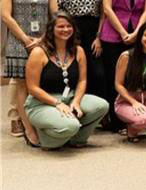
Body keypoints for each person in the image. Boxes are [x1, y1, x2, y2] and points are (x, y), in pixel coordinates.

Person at [24, 12, 109, 149]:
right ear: (51, 29)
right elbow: (32, 88)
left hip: (69, 98)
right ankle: (47, 139)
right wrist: (57, 103)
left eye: (69, 26)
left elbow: (82, 81)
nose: (65, 29)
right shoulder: (38, 52)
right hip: (41, 103)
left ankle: (76, 139)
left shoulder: (78, 51)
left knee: (102, 105)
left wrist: (76, 101)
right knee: (72, 125)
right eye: (60, 27)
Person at [1, 0, 58, 140]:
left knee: (41, 83)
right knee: (22, 85)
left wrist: (42, 38)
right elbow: (5, 16)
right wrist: (26, 39)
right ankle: (28, 129)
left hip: (43, 41)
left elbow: (55, 15)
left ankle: (41, 123)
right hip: (18, 41)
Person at [98, 0, 146, 131]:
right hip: (112, 35)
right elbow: (107, 8)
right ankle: (115, 121)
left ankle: (132, 117)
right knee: (114, 78)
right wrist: (122, 32)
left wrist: (137, 32)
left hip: (137, 34)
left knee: (132, 77)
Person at [54, 0, 104, 97]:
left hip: (93, 32)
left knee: (97, 73)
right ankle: (73, 108)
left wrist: (99, 37)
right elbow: (56, 12)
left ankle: (98, 112)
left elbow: (103, 12)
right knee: (73, 72)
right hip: (68, 31)